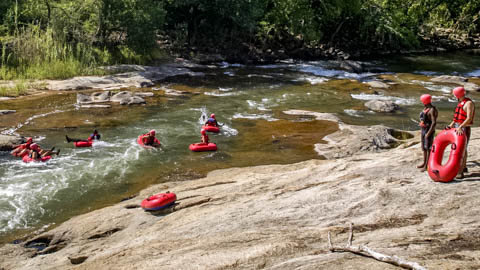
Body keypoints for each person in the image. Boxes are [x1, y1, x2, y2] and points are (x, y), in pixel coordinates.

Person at [446, 86, 475, 179]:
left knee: (462, 149)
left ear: (457, 95)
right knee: (458, 148)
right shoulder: (460, 102)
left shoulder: (469, 103)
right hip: (457, 127)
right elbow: (456, 118)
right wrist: (450, 125)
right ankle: (464, 167)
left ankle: (460, 171)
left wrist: (461, 127)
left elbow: (469, 118)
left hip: (464, 128)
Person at [417, 94, 438, 172]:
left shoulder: (432, 110)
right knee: (424, 147)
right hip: (423, 130)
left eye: (422, 101)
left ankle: (427, 165)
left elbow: (434, 123)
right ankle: (424, 162)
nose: (422, 102)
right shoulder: (426, 107)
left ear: (424, 101)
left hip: (428, 130)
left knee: (428, 148)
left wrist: (429, 133)